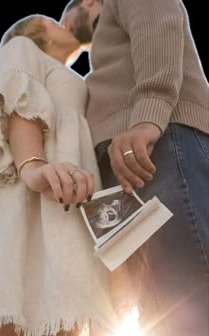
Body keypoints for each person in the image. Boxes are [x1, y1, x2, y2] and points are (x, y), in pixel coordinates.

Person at [61, 0, 209, 335]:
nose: (64, 27)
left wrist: (147, 118)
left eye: (65, 19)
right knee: (160, 313)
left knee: (189, 300)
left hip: (157, 144)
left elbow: (159, 22)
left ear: (86, 3)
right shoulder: (101, 59)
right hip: (124, 165)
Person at [0, 14, 118, 336]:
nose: (65, 21)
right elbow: (17, 99)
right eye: (53, 21)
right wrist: (33, 166)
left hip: (67, 203)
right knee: (16, 307)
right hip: (28, 200)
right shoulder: (22, 48)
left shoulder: (70, 76)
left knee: (61, 312)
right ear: (34, 33)